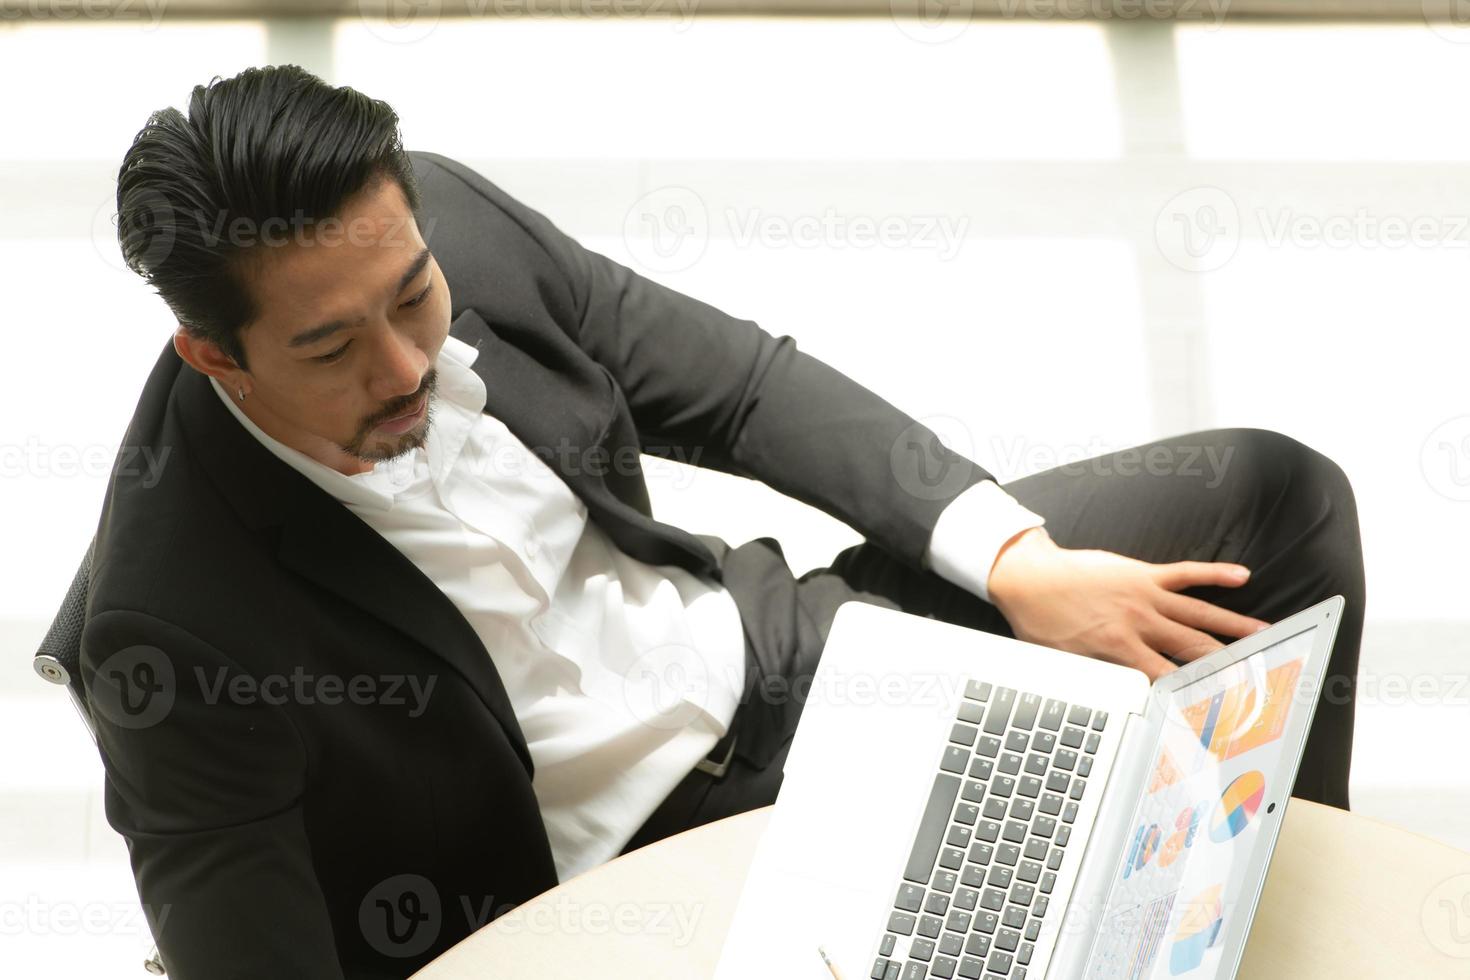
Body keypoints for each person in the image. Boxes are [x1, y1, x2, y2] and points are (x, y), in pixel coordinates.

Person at [88, 63, 1363, 979]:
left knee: (1268, 499)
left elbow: (744, 388)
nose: (406, 363)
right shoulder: (171, 617)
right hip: (623, 888)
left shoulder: (441, 217)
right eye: (332, 348)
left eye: (412, 295)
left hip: (786, 665)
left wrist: (1021, 562)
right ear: (214, 354)